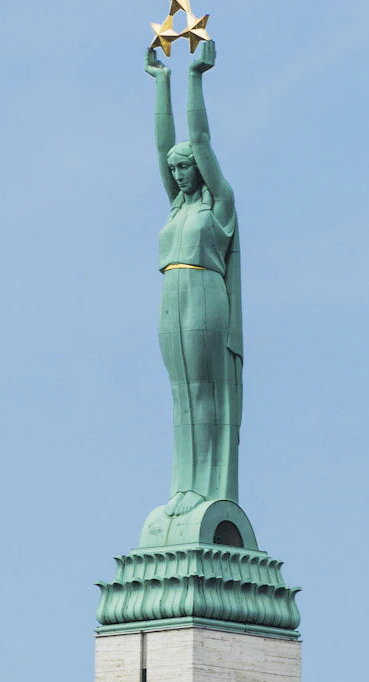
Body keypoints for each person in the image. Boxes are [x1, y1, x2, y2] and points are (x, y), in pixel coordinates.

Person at [146, 39, 243, 518]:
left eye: (186, 167)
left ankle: (205, 485)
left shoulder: (218, 203)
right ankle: (182, 485)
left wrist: (193, 78)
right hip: (171, 291)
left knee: (204, 388)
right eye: (175, 169)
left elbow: (197, 142)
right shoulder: (176, 205)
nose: (180, 173)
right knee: (179, 392)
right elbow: (162, 144)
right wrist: (159, 83)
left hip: (205, 291)